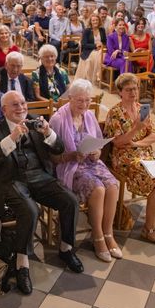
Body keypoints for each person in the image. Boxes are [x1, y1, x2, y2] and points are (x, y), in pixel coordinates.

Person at [0, 91, 83, 295]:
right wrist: (12, 137)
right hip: (10, 179)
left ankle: (66, 248)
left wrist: (48, 133)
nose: (21, 108)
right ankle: (22, 263)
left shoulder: (35, 123)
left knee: (70, 200)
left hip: (38, 176)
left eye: (23, 103)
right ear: (4, 110)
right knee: (30, 211)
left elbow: (59, 149)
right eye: (15, 105)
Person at [105, 74, 155, 246]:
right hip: (124, 159)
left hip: (144, 155)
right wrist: (136, 129)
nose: (133, 92)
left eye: (135, 88)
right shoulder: (115, 113)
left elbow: (153, 136)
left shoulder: (142, 108)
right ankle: (149, 229)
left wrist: (135, 143)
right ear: (120, 92)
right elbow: (117, 142)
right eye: (128, 89)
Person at [49, 80, 121, 262]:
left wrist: (96, 152)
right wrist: (72, 155)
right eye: (80, 101)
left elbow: (97, 143)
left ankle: (108, 233)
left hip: (90, 163)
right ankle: (97, 237)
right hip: (69, 166)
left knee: (113, 185)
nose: (84, 105)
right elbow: (51, 157)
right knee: (98, 188)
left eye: (88, 100)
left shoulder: (89, 116)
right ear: (70, 99)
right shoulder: (58, 119)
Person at [74, 13, 106, 83]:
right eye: (93, 20)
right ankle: (98, 74)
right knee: (99, 55)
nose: (95, 22)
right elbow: (84, 44)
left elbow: (105, 42)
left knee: (102, 54)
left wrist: (101, 44)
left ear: (99, 21)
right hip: (89, 51)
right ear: (90, 22)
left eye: (97, 20)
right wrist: (95, 46)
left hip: (101, 50)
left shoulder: (102, 30)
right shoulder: (87, 31)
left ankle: (98, 74)